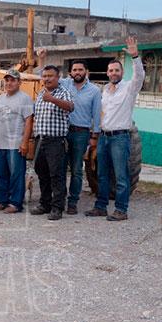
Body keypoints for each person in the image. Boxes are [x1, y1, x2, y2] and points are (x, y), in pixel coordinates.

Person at [88, 36, 144, 221]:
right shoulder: (105, 91)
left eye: (117, 70)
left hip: (120, 138)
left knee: (121, 175)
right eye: (111, 70)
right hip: (104, 137)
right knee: (102, 174)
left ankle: (121, 209)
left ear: (122, 72)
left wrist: (135, 56)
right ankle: (101, 207)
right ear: (107, 72)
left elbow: (140, 76)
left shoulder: (129, 88)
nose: (113, 73)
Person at [30, 65, 75, 221]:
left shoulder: (64, 93)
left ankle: (57, 207)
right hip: (40, 139)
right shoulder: (42, 92)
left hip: (55, 141)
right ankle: (45, 203)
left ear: (58, 77)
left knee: (57, 175)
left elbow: (70, 107)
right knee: (42, 173)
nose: (47, 79)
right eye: (45, 76)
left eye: (50, 76)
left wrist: (53, 99)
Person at [60, 60, 102, 215]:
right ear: (70, 72)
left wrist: (95, 136)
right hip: (63, 132)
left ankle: (73, 202)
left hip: (81, 133)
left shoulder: (94, 91)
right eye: (74, 70)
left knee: (77, 169)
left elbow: (97, 114)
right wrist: (42, 59)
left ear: (86, 71)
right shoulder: (65, 84)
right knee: (61, 168)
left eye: (80, 69)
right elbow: (45, 77)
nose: (77, 72)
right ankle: (59, 200)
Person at [0, 69, 34, 213]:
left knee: (16, 174)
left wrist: (25, 142)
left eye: (13, 80)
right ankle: (2, 201)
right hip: (0, 143)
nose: (9, 83)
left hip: (15, 143)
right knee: (1, 174)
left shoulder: (25, 98)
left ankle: (15, 203)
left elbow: (28, 121)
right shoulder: (0, 98)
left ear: (19, 82)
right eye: (7, 80)